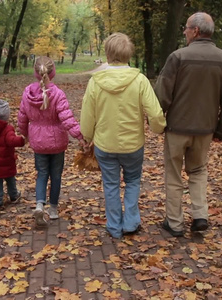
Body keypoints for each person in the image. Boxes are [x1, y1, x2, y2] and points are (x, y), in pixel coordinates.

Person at [154, 12, 222, 237]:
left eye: (187, 28)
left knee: (173, 175)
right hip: (205, 130)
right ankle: (200, 215)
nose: (184, 31)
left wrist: (157, 121)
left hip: (177, 128)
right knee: (198, 171)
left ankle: (175, 223)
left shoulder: (177, 57)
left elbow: (162, 94)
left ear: (196, 31)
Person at [80, 32, 166, 239]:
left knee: (110, 184)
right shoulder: (140, 80)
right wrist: (159, 127)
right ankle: (131, 222)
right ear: (129, 54)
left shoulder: (96, 82)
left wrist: (86, 136)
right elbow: (155, 113)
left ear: (108, 54)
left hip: (105, 144)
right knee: (133, 181)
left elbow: (87, 113)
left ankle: (114, 226)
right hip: (132, 145)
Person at [18, 56, 86, 227]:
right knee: (56, 175)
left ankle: (40, 204)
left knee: (41, 174)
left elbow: (22, 118)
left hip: (38, 141)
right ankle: (53, 209)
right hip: (57, 143)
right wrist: (79, 136)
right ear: (53, 72)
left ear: (35, 72)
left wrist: (25, 135)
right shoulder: (57, 94)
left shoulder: (28, 93)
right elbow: (67, 118)